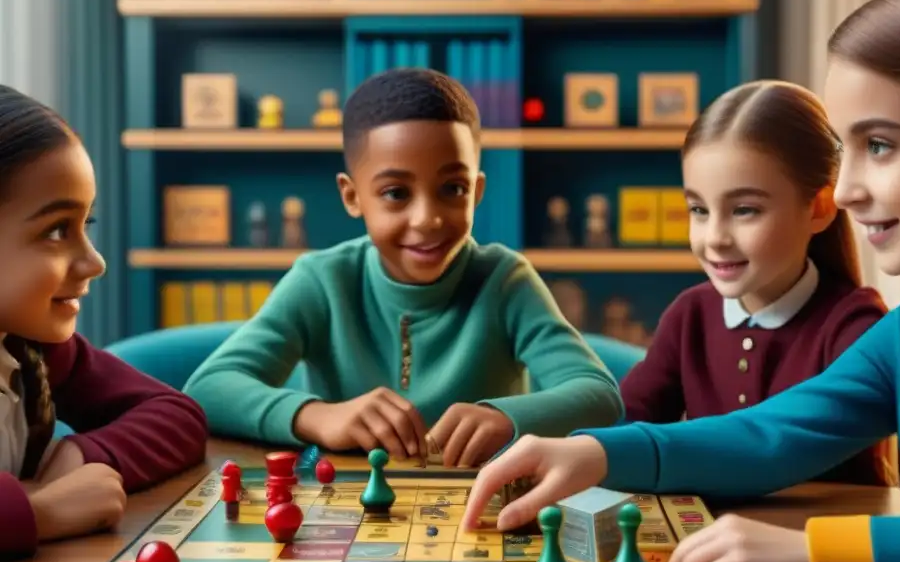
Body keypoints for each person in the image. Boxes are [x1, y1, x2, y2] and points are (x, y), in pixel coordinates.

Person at [461, 0, 900, 562]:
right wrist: (591, 452)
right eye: (846, 152)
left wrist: (819, 552)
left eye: (880, 145)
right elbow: (769, 434)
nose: (844, 192)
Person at [184, 68, 622, 467]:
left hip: (485, 511)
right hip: (350, 513)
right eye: (395, 193)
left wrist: (506, 417)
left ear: (478, 190)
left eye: (453, 188)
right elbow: (208, 389)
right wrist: (319, 416)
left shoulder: (506, 280)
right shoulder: (321, 280)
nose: (427, 219)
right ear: (353, 196)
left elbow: (599, 394)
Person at [619, 79, 893, 487]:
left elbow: (786, 447)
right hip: (721, 543)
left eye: (745, 210)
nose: (714, 237)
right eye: (698, 209)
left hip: (820, 545)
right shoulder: (690, 314)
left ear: (818, 208)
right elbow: (625, 420)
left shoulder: (857, 327)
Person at [0, 85, 208, 562]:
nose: (95, 262)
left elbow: (176, 414)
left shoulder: (31, 348)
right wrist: (42, 513)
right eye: (56, 231)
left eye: (85, 226)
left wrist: (82, 455)